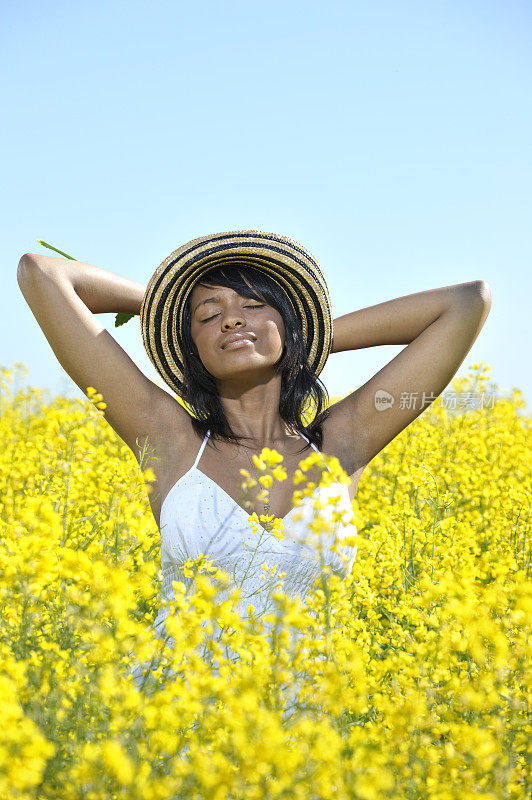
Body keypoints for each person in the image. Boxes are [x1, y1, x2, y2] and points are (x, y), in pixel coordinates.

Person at [17, 229, 491, 689]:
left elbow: (467, 302)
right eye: (209, 315)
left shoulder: (342, 445)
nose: (230, 320)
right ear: (191, 348)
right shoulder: (168, 441)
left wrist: (303, 337)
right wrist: (169, 305)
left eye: (253, 305)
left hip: (302, 745)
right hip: (173, 729)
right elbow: (41, 273)